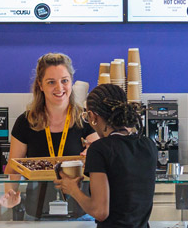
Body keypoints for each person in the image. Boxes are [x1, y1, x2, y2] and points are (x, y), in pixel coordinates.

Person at [0, 53, 100, 220]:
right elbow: (13, 168)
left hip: (80, 216)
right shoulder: (25, 122)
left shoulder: (86, 119)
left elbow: (103, 165)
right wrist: (10, 193)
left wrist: (94, 155)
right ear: (40, 85)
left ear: (71, 82)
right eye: (51, 82)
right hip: (36, 215)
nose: (59, 88)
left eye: (64, 81)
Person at [55, 84, 157, 228]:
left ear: (92, 116)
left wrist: (73, 189)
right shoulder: (149, 145)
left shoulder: (99, 149)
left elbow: (100, 211)